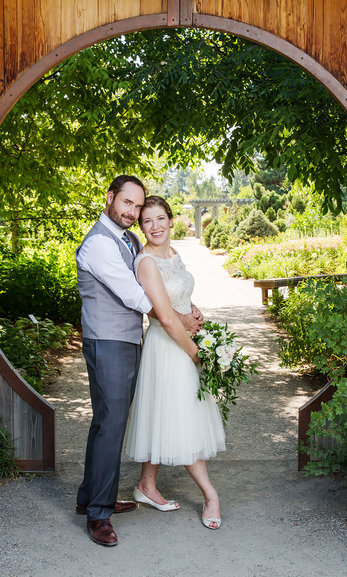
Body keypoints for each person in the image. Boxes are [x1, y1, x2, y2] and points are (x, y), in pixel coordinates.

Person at [75, 176, 202, 547]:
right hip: (107, 340)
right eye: (127, 203)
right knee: (112, 424)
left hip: (128, 340)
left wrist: (183, 310)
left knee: (106, 422)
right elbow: (136, 295)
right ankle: (99, 515)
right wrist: (178, 320)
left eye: (137, 206)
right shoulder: (99, 244)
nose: (132, 212)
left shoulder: (127, 239)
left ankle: (90, 496)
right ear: (110, 197)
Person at [123, 196, 226, 530]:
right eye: (147, 221)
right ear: (142, 227)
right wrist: (197, 353)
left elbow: (180, 298)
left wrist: (195, 310)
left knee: (164, 415)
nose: (154, 227)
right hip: (168, 348)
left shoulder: (174, 255)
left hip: (182, 339)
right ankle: (211, 495)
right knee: (182, 418)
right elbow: (166, 317)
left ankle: (146, 486)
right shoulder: (147, 262)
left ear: (170, 220)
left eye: (160, 219)